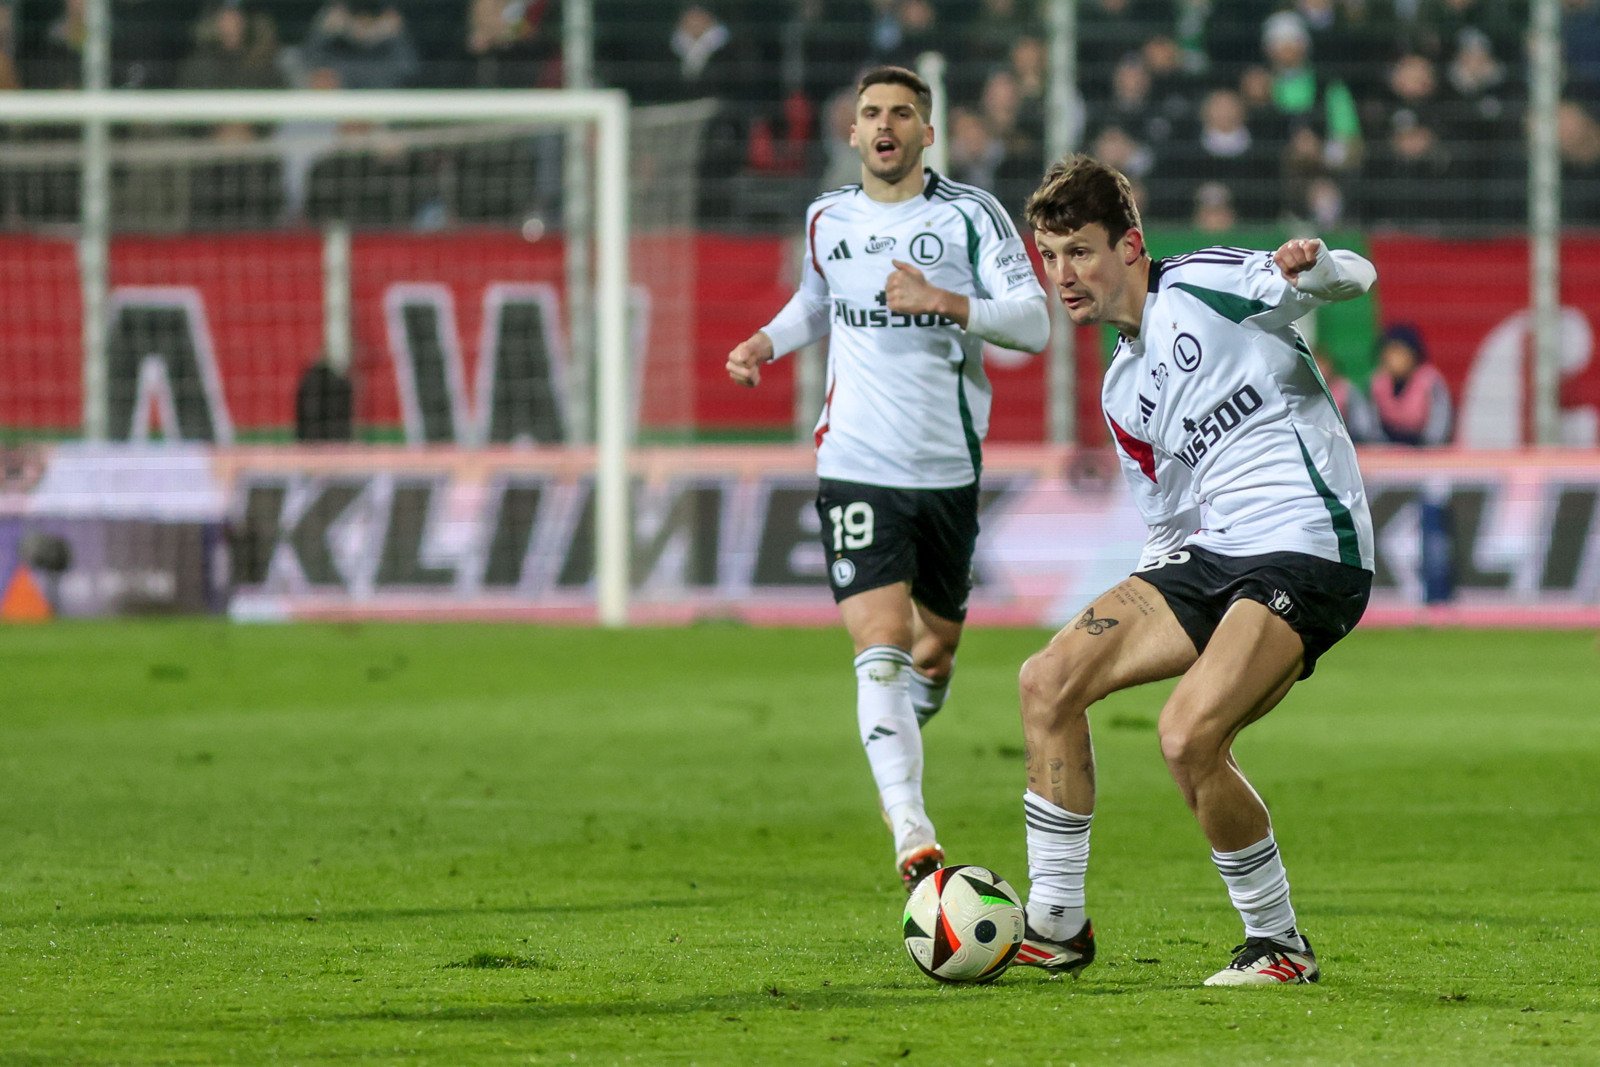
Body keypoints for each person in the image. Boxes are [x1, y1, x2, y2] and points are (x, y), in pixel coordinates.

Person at [1014, 154, 1377, 985]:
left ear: (1131, 245)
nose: (1062, 275)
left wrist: (1314, 262)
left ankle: (1279, 944)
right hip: (1213, 555)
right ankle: (1057, 922)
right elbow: (1168, 520)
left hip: (1308, 545)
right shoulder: (1119, 386)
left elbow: (1351, 277)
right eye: (1049, 256)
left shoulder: (1204, 285)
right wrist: (1139, 608)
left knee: (1187, 735)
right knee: (1047, 679)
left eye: (1079, 252)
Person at [725, 66, 1050, 892]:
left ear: (926, 132)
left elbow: (1037, 324)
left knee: (932, 652)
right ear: (852, 130)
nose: (885, 125)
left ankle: (904, 729)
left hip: (947, 469)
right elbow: (815, 299)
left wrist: (946, 301)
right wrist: (768, 340)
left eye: (902, 112)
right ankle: (910, 823)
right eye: (870, 112)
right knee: (881, 647)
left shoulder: (972, 216)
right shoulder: (826, 217)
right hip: (854, 461)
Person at [1368, 323, 1455, 604]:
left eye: (1400, 352)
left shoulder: (1430, 382)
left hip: (1430, 468)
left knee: (1433, 531)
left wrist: (1410, 450)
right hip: (1393, 471)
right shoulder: (1378, 384)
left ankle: (1438, 595)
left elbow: (1439, 432)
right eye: (1389, 352)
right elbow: (1372, 431)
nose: (1393, 359)